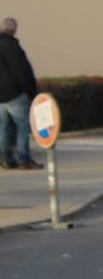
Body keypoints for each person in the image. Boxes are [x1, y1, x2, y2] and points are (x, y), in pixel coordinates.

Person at [0, 17, 42, 170]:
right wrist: (31, 91)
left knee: (3, 128)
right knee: (22, 127)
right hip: (15, 95)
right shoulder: (12, 47)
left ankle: (6, 159)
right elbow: (22, 71)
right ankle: (24, 159)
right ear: (14, 30)